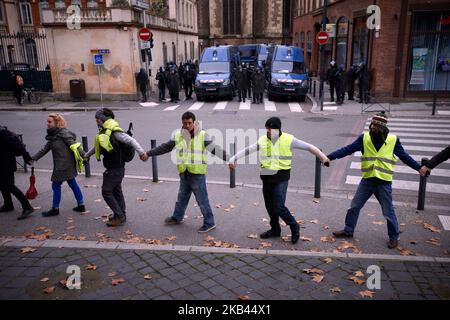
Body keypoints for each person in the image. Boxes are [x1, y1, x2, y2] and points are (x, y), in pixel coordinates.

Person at [327, 112, 421, 249]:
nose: (372, 128)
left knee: (388, 212)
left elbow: (405, 157)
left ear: (382, 128)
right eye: (371, 125)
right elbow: (347, 149)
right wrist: (330, 157)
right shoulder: (364, 138)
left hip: (383, 183)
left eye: (375, 126)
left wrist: (419, 168)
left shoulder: (393, 140)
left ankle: (394, 237)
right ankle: (348, 230)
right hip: (367, 181)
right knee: (354, 206)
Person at [229, 117, 330, 244]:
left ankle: (294, 226)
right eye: (267, 129)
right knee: (269, 206)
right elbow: (249, 149)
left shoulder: (289, 139)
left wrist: (323, 158)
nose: (268, 132)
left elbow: (309, 147)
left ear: (278, 129)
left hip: (281, 177)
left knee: (279, 206)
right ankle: (275, 229)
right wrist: (233, 158)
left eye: (270, 130)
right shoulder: (263, 139)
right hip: (266, 177)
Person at [146, 111, 229, 233]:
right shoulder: (178, 135)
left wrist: (229, 159)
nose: (187, 125)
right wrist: (149, 153)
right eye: (185, 123)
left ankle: (209, 223)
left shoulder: (202, 135)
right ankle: (177, 217)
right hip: (184, 172)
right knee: (182, 197)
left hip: (197, 173)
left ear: (194, 122)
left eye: (189, 123)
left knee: (202, 200)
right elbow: (165, 147)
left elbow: (215, 149)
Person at [85, 108, 148, 227]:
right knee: (116, 191)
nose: (96, 122)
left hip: (116, 168)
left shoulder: (114, 132)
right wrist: (86, 155)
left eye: (97, 119)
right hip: (114, 167)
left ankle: (119, 216)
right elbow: (97, 147)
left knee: (106, 191)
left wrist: (141, 153)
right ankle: (120, 213)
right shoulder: (104, 132)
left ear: (103, 119)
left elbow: (131, 140)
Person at [32, 114, 86, 217]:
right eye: (47, 121)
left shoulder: (63, 134)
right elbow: (45, 149)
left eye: (49, 122)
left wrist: (84, 155)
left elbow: (74, 145)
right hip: (63, 164)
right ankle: (81, 204)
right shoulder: (53, 135)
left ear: (57, 123)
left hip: (63, 165)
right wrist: (33, 158)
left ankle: (55, 208)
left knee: (56, 185)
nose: (47, 124)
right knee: (72, 182)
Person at [0, 125, 34, 220]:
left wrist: (27, 157)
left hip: (6, 165)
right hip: (3, 164)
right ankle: (8, 205)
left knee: (9, 186)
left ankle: (27, 207)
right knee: (2, 185)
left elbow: (20, 147)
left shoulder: (3, 133)